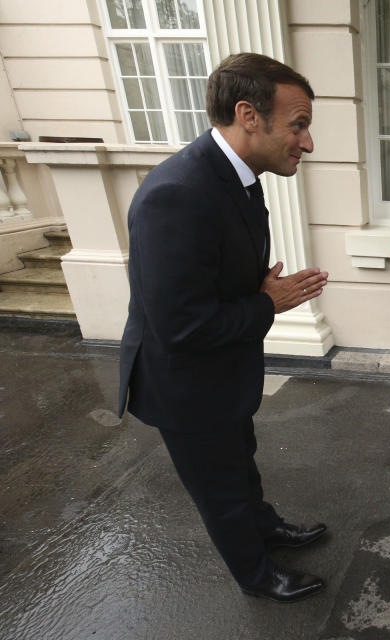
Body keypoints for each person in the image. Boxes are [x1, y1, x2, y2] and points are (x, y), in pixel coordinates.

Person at [117, 53, 330, 602]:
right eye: (298, 124)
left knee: (240, 461)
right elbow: (181, 326)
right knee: (220, 488)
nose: (306, 143)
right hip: (185, 384)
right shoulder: (176, 194)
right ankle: (257, 577)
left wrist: (256, 284)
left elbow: (209, 273)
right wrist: (269, 302)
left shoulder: (237, 176)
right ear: (248, 115)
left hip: (222, 370)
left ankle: (266, 530)